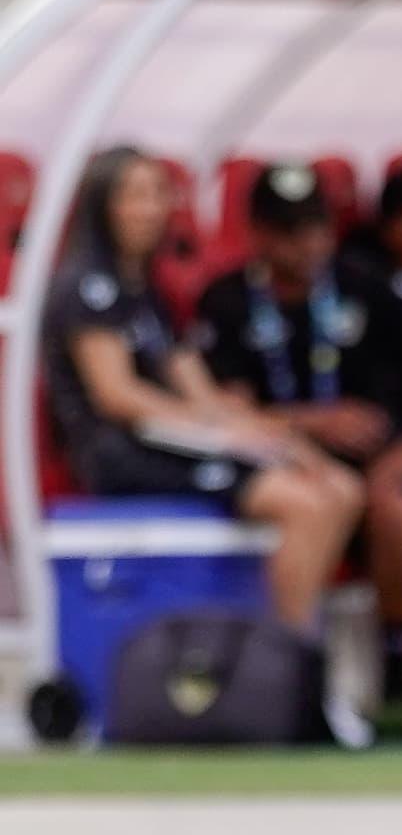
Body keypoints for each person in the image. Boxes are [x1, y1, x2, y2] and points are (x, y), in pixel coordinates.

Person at [191, 163, 402, 704]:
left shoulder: (361, 281)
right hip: (283, 459)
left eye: (317, 227)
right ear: (258, 233)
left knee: (394, 502)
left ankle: (399, 673)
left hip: (374, 465)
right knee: (321, 496)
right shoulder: (229, 300)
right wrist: (312, 421)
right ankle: (293, 676)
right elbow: (224, 410)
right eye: (290, 231)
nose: (308, 244)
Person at [42, 150, 367, 633]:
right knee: (304, 504)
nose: (152, 208)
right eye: (135, 195)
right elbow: (118, 397)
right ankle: (285, 661)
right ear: (101, 204)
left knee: (341, 486)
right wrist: (223, 435)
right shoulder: (87, 289)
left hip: (176, 440)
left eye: (158, 193)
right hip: (123, 451)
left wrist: (274, 438)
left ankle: (295, 653)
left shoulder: (149, 291)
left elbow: (199, 391)